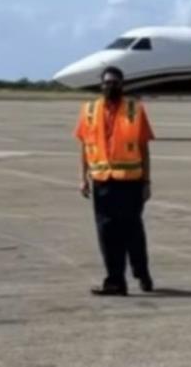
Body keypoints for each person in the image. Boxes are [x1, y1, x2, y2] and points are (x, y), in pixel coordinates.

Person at [75, 66, 155, 296]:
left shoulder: (135, 110)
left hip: (130, 182)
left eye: (115, 82)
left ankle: (141, 272)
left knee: (132, 232)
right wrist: (83, 177)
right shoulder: (89, 110)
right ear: (101, 85)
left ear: (122, 85)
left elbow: (143, 148)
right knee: (107, 233)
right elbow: (85, 147)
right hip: (102, 182)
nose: (111, 86)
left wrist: (147, 181)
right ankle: (115, 281)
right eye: (107, 82)